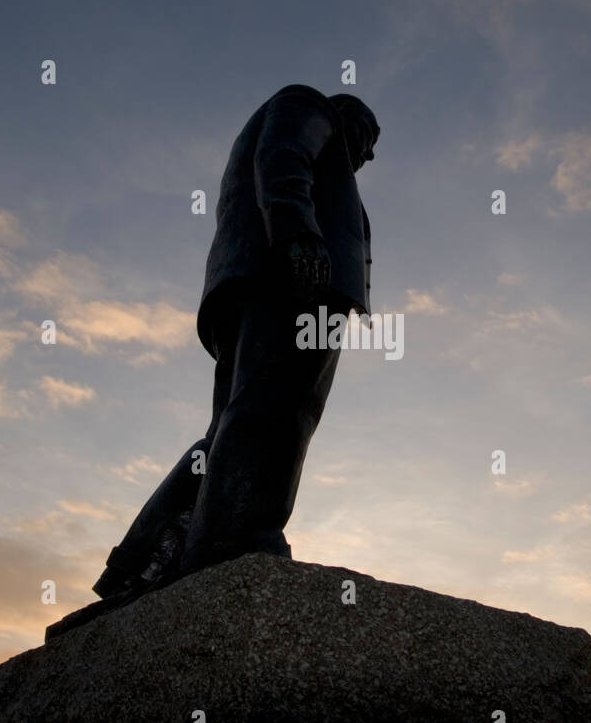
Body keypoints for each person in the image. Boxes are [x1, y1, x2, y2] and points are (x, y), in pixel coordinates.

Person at [93, 84, 380, 601]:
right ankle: (239, 540)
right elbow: (283, 155)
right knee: (279, 414)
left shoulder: (306, 135)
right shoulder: (308, 107)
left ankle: (148, 559)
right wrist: (298, 232)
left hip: (259, 281)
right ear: (345, 117)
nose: (370, 153)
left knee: (235, 423)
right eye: (368, 134)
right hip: (296, 280)